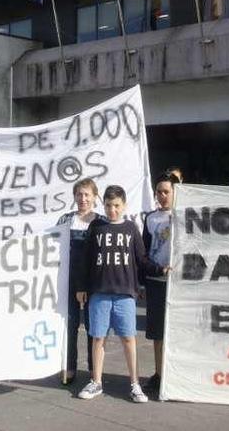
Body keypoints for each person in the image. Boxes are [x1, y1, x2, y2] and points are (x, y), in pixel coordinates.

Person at [75, 185, 166, 403]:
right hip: (99, 293)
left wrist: (160, 269)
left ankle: (135, 384)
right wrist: (81, 287)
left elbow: (142, 259)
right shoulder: (96, 226)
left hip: (125, 293)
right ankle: (96, 381)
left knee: (128, 338)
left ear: (124, 205)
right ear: (103, 204)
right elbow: (85, 260)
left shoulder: (131, 228)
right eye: (108, 205)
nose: (112, 210)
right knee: (98, 338)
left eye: (116, 206)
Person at [56, 178, 103, 385]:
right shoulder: (65, 220)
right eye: (79, 194)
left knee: (94, 326)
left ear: (94, 197)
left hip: (94, 281)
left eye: (86, 195)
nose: (82, 199)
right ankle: (70, 367)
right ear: (74, 196)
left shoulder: (101, 222)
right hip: (69, 280)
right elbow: (53, 249)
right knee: (71, 324)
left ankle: (95, 370)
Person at [142, 173, 177, 393]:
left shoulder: (183, 216)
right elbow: (143, 254)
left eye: (166, 191)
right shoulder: (150, 219)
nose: (162, 196)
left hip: (178, 282)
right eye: (159, 192)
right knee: (157, 333)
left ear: (174, 193)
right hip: (156, 280)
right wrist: (146, 279)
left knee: (175, 330)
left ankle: (174, 373)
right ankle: (159, 373)